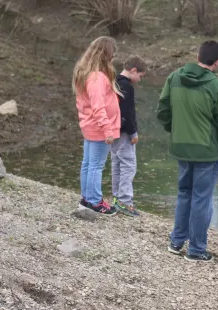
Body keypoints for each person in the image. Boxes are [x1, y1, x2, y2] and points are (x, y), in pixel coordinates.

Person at [157, 40, 218, 262]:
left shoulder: (174, 77)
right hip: (205, 152)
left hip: (181, 148)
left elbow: (162, 110)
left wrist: (175, 131)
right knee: (201, 199)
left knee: (184, 193)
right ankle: (196, 250)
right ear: (217, 62)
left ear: (198, 56)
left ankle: (176, 242)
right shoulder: (216, 86)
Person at [74, 36, 121, 215]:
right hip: (99, 128)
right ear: (105, 54)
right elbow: (98, 106)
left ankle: (86, 198)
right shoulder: (97, 78)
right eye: (112, 54)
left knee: (88, 163)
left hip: (90, 126)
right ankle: (94, 201)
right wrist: (108, 129)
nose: (113, 58)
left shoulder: (86, 73)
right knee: (95, 165)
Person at [111, 55, 147, 217]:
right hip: (124, 131)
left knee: (117, 163)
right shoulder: (126, 86)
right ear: (133, 70)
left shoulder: (114, 81)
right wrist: (133, 131)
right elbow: (127, 112)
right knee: (128, 165)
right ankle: (125, 201)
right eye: (140, 76)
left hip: (113, 130)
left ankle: (117, 198)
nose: (139, 79)